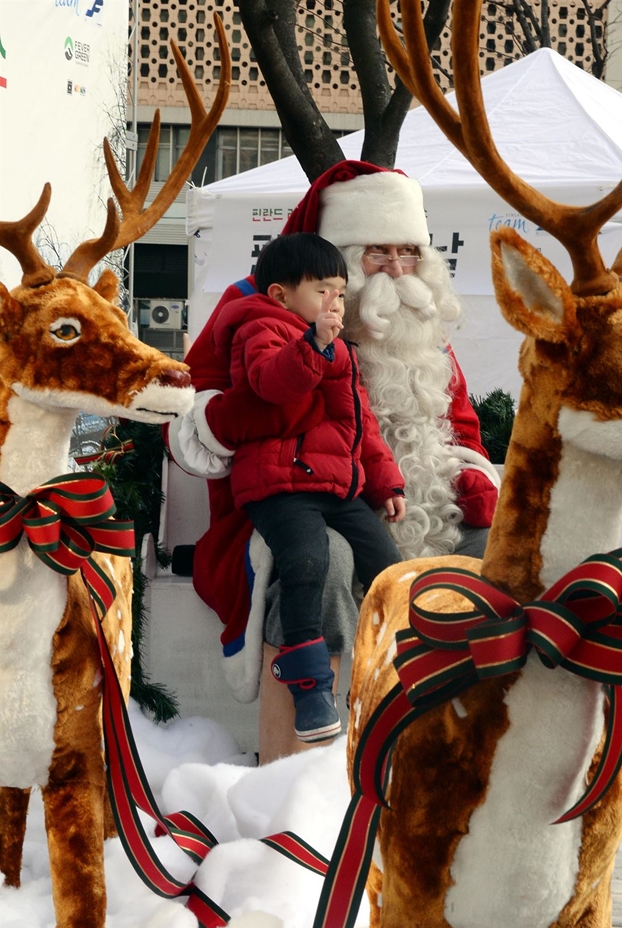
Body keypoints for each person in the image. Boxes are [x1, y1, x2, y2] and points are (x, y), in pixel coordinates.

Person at [168, 160, 499, 760]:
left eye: (408, 253)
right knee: (328, 561)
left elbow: (460, 427)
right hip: (290, 502)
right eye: (378, 253)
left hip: (406, 498)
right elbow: (193, 418)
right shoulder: (258, 313)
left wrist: (470, 471)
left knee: (488, 552)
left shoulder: (423, 332)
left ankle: (454, 746)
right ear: (337, 258)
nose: (397, 272)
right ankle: (296, 762)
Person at [204, 232, 405, 744]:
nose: (334, 302)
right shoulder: (260, 327)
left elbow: (361, 422)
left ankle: (407, 662)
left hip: (338, 485)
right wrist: (312, 345)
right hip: (279, 485)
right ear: (280, 294)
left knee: (389, 563)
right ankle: (310, 682)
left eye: (339, 291)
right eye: (322, 290)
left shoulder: (338, 346)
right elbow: (271, 383)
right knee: (308, 561)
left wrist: (385, 483)